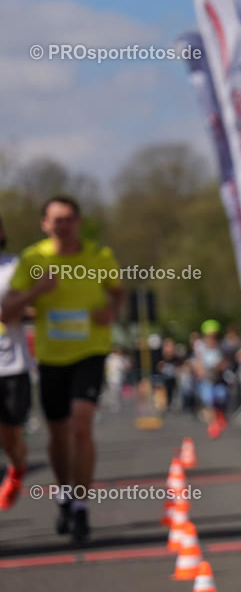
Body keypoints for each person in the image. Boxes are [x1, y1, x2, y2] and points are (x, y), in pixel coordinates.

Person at [0, 196, 124, 543]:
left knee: (81, 425)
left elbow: (117, 292)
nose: (62, 225)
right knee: (58, 434)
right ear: (44, 224)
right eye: (56, 220)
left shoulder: (100, 256)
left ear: (78, 221)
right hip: (52, 357)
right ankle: (65, 493)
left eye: (68, 218)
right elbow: (7, 310)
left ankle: (82, 503)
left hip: (91, 350)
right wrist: (38, 290)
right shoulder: (33, 259)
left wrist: (112, 310)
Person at [0, 216, 34, 510]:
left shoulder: (15, 267)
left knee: (10, 438)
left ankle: (17, 466)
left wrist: (17, 310)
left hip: (12, 366)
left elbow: (36, 307)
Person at [194, 319, 229, 438]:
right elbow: (198, 360)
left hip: (218, 377)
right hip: (207, 378)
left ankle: (220, 416)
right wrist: (199, 371)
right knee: (209, 402)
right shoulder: (200, 345)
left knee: (220, 398)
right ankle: (212, 425)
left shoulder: (221, 345)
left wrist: (222, 365)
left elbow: (225, 361)